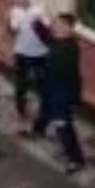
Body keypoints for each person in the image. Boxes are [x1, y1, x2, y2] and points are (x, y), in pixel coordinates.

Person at [29, 12, 86, 173]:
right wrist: (36, 22)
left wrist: (72, 100)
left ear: (69, 28)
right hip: (50, 86)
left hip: (62, 92)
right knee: (44, 109)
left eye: (60, 24)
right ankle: (38, 130)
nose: (55, 26)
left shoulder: (70, 48)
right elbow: (46, 37)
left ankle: (76, 159)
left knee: (62, 124)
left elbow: (65, 73)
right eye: (55, 23)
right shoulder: (58, 40)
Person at [7, 0, 50, 123]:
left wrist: (38, 21)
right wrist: (8, 20)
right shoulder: (14, 12)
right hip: (22, 53)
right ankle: (21, 110)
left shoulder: (38, 10)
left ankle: (44, 113)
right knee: (21, 84)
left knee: (42, 84)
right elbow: (13, 31)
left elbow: (48, 27)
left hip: (40, 53)